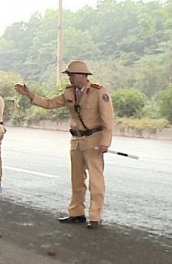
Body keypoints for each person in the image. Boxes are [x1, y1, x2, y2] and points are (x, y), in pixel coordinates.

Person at [14, 60, 114, 229]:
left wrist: (105, 141)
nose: (69, 78)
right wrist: (29, 94)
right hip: (76, 140)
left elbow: (108, 119)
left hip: (94, 141)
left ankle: (95, 216)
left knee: (96, 181)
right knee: (77, 179)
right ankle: (76, 213)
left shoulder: (99, 92)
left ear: (82, 76)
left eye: (72, 75)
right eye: (68, 75)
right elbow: (49, 103)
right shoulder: (69, 93)